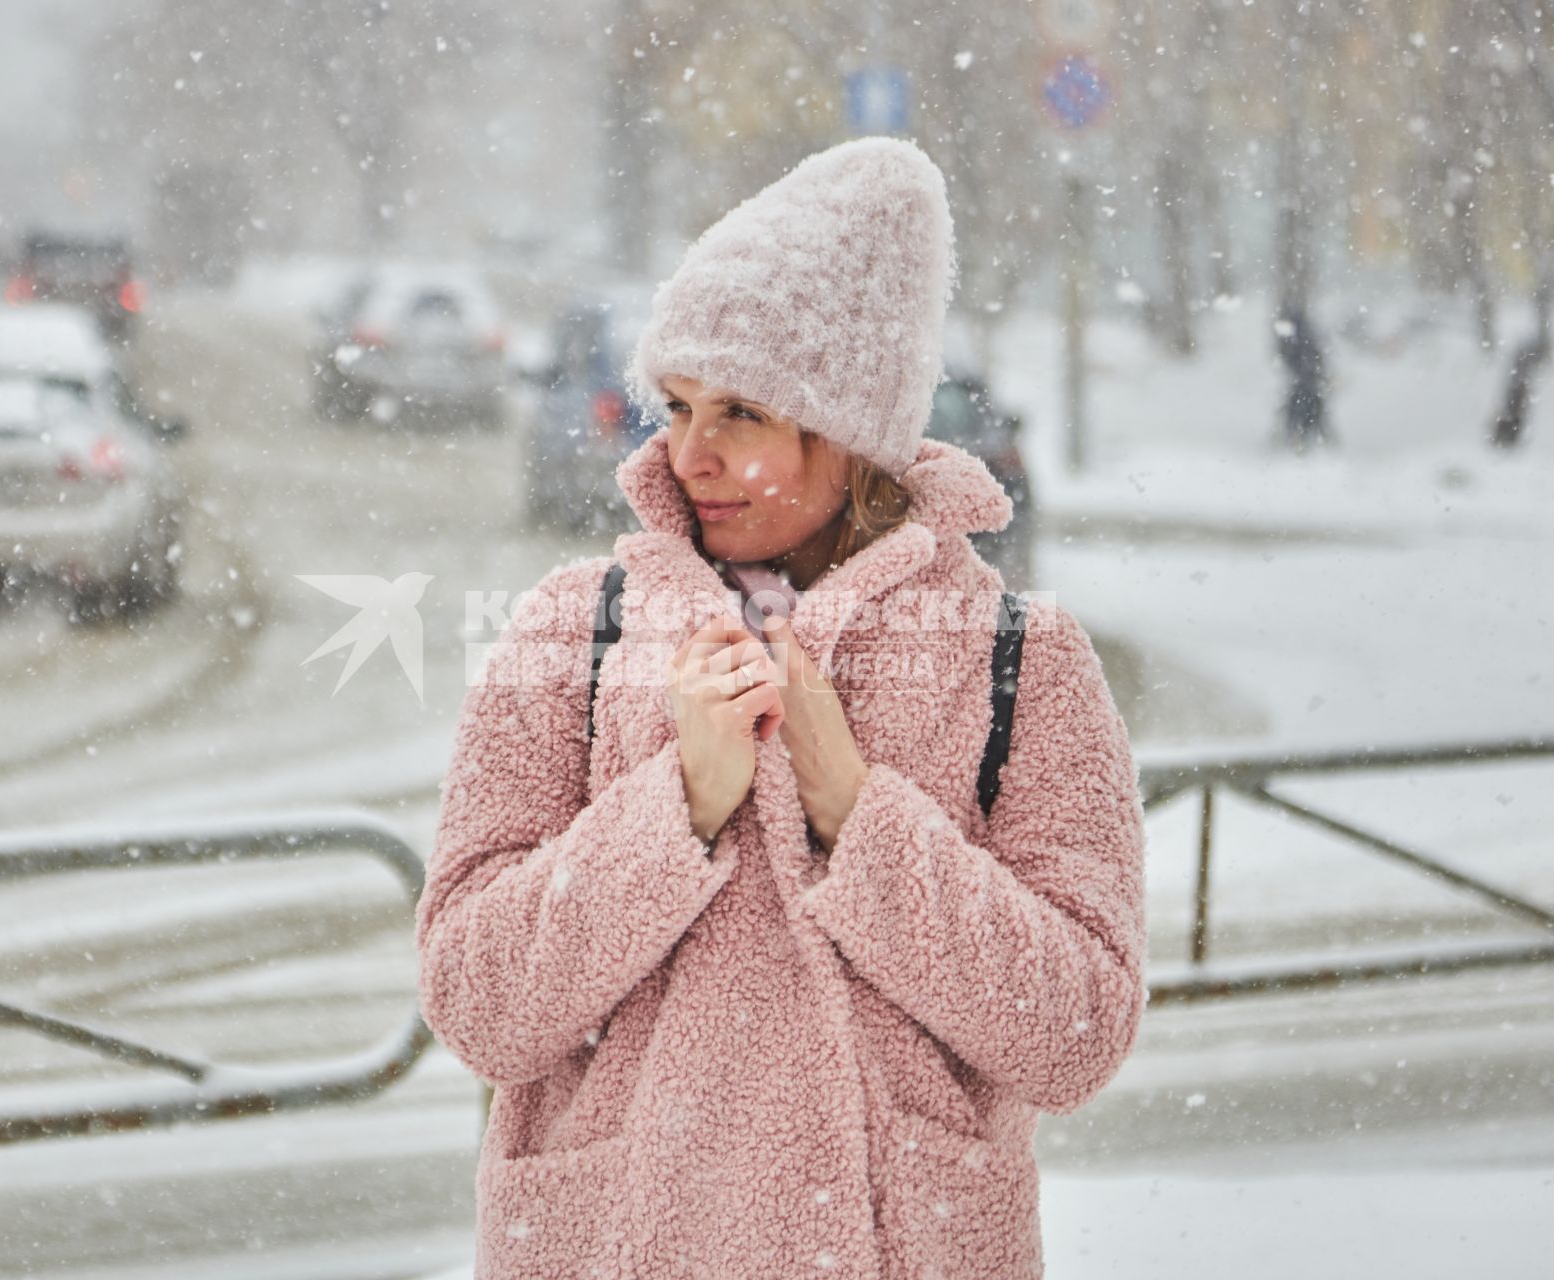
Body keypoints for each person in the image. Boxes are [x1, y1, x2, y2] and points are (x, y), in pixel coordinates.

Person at [415, 137, 1147, 1279]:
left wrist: (859, 812)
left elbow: (1078, 1031)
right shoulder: (577, 629)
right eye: (676, 406)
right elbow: (474, 1002)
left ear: (850, 437)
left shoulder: (1019, 659)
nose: (689, 453)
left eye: (742, 414)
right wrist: (677, 808)